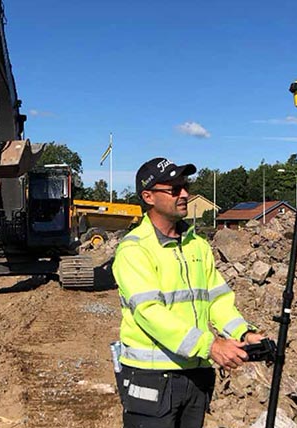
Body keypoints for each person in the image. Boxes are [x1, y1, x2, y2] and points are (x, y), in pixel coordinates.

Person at [112, 157, 264, 428]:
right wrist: (210, 345)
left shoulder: (198, 245)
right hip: (151, 378)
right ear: (148, 196)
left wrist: (243, 332)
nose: (184, 194)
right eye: (173, 189)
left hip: (196, 376)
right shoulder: (134, 249)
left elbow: (217, 299)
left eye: (185, 186)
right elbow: (150, 314)